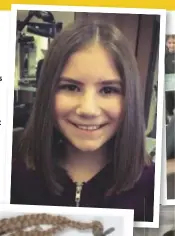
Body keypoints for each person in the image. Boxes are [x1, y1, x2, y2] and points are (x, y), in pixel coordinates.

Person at [11, 19, 155, 222]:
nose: (88, 109)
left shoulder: (151, 189)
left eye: (108, 90)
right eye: (71, 87)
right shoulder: (15, 175)